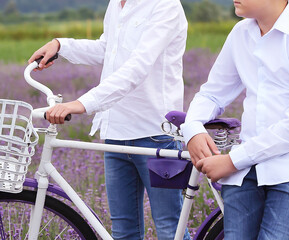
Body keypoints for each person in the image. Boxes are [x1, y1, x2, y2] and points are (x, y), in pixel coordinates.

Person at [28, 0, 190, 239]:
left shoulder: (165, 5)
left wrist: (82, 103)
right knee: (123, 231)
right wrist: (61, 45)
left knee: (169, 229)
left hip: (155, 133)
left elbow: (138, 65)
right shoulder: (117, 4)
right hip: (115, 132)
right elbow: (108, 48)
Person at [181, 0, 289, 239]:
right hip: (249, 168)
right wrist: (194, 128)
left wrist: (232, 160)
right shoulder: (240, 34)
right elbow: (212, 93)